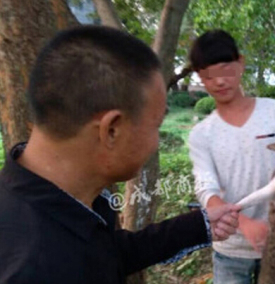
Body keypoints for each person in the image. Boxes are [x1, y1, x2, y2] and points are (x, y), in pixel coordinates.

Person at [0, 26, 239, 284]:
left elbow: (106, 254)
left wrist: (199, 225)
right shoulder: (34, 270)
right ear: (111, 130)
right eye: (156, 125)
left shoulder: (59, 206)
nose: (157, 141)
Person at [188, 30, 275, 284]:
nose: (220, 82)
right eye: (209, 75)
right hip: (230, 252)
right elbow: (206, 187)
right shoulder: (201, 134)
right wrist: (244, 223)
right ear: (201, 78)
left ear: (241, 63)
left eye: (226, 69)